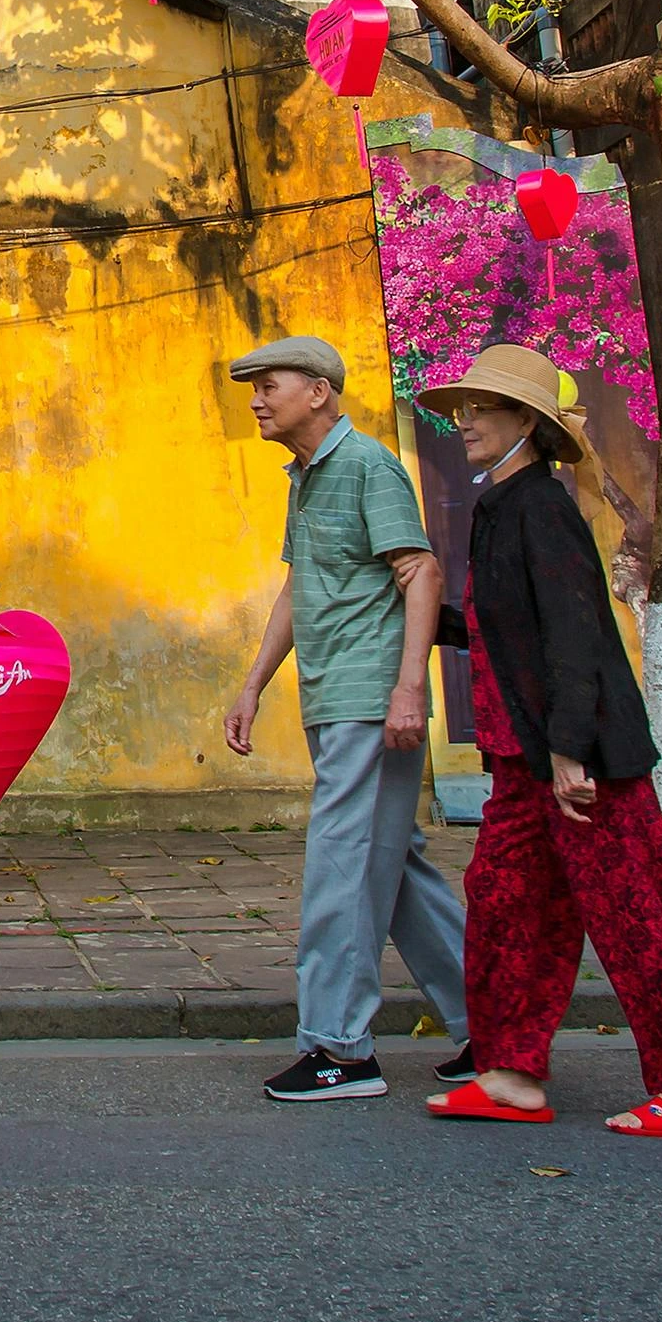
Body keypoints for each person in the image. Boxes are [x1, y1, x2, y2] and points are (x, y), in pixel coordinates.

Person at [415, 343, 662, 1139]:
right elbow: (506, 632)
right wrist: (413, 612)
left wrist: (568, 751)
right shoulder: (501, 506)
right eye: (462, 410)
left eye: (481, 410)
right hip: (520, 763)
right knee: (503, 907)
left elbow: (574, 638)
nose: (465, 424)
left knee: (635, 920)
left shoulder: (542, 508)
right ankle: (509, 1073)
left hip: (581, 760)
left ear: (525, 421)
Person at [221, 336, 471, 1102]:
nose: (258, 400)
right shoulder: (305, 478)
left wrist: (406, 692)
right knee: (393, 872)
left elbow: (419, 570)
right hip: (335, 697)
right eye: (254, 389)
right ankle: (496, 1024)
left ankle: (339, 1051)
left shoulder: (367, 466)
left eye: (270, 386)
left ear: (319, 392)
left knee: (341, 868)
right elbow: (300, 588)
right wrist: (253, 684)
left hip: (369, 700)